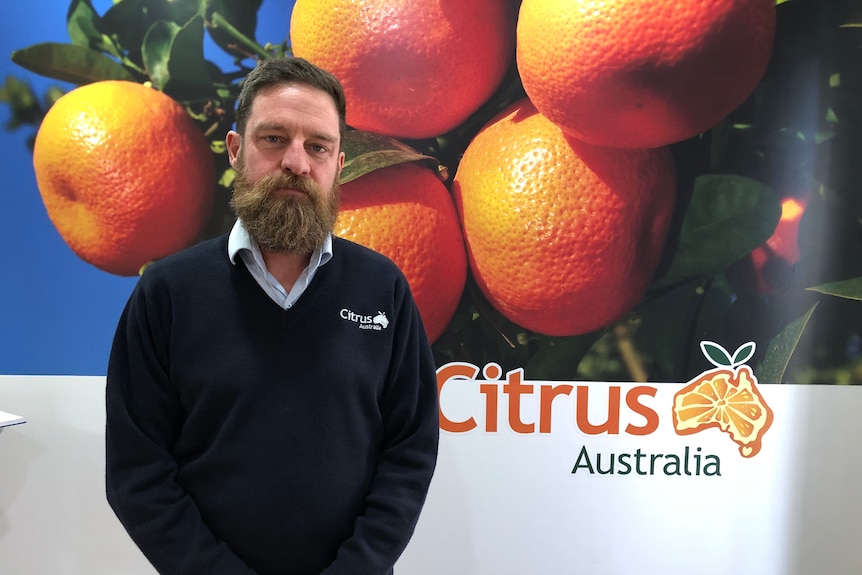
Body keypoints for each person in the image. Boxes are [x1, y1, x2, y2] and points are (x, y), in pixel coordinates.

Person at [105, 56, 440, 575]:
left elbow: (410, 451)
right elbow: (137, 471)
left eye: (318, 146)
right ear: (236, 150)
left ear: (338, 162)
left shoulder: (384, 288)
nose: (297, 162)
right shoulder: (167, 293)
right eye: (274, 138)